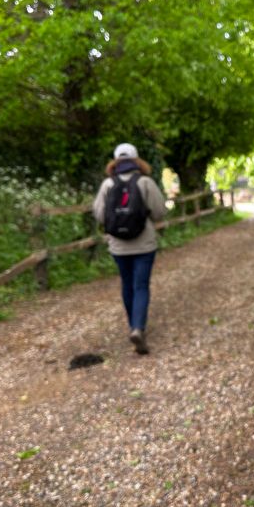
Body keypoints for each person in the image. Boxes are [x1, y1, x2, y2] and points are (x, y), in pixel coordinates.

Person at [93, 143, 167, 354]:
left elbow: (99, 214)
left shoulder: (108, 184)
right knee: (141, 285)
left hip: (118, 246)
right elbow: (160, 211)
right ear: (136, 160)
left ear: (115, 161)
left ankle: (132, 325)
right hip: (144, 243)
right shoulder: (145, 182)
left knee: (127, 284)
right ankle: (138, 328)